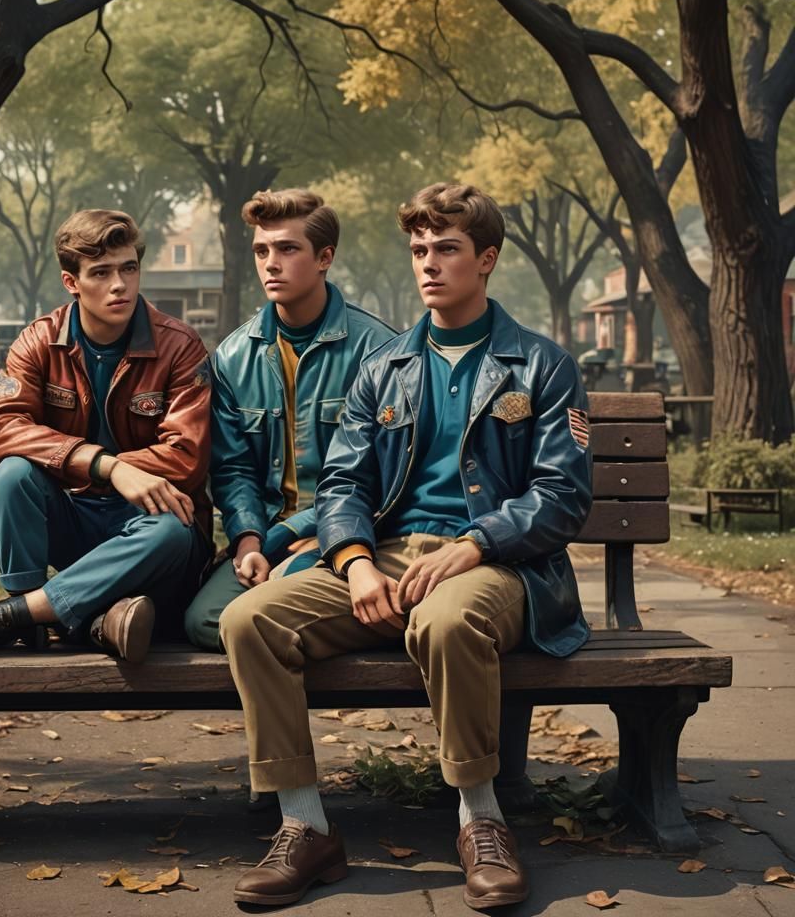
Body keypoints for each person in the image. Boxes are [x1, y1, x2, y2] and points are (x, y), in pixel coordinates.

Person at [219, 183, 592, 909]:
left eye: (446, 249)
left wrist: (476, 544)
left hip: (500, 565)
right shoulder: (383, 366)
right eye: (419, 250)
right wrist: (354, 564)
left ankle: (480, 820)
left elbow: (562, 496)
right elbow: (342, 486)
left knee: (447, 620)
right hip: (388, 557)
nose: (429, 264)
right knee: (248, 619)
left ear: (486, 260)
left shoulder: (541, 365)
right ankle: (305, 828)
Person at [0, 209, 212, 661]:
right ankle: (84, 620)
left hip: (148, 527)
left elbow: (187, 457)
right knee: (13, 475)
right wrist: (107, 466)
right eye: (101, 272)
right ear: (71, 282)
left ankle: (11, 619)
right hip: (76, 517)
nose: (120, 285)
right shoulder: (39, 341)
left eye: (129, 268)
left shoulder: (179, 346)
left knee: (174, 531)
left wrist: (122, 479)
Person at [183, 188, 394, 651]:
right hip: (269, 537)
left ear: (324, 258)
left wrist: (305, 537)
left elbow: (384, 473)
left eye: (287, 248)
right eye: (262, 250)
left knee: (266, 610)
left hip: (357, 532)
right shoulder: (234, 357)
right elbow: (233, 469)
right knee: (204, 621)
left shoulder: (378, 349)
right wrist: (248, 541)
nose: (270, 263)